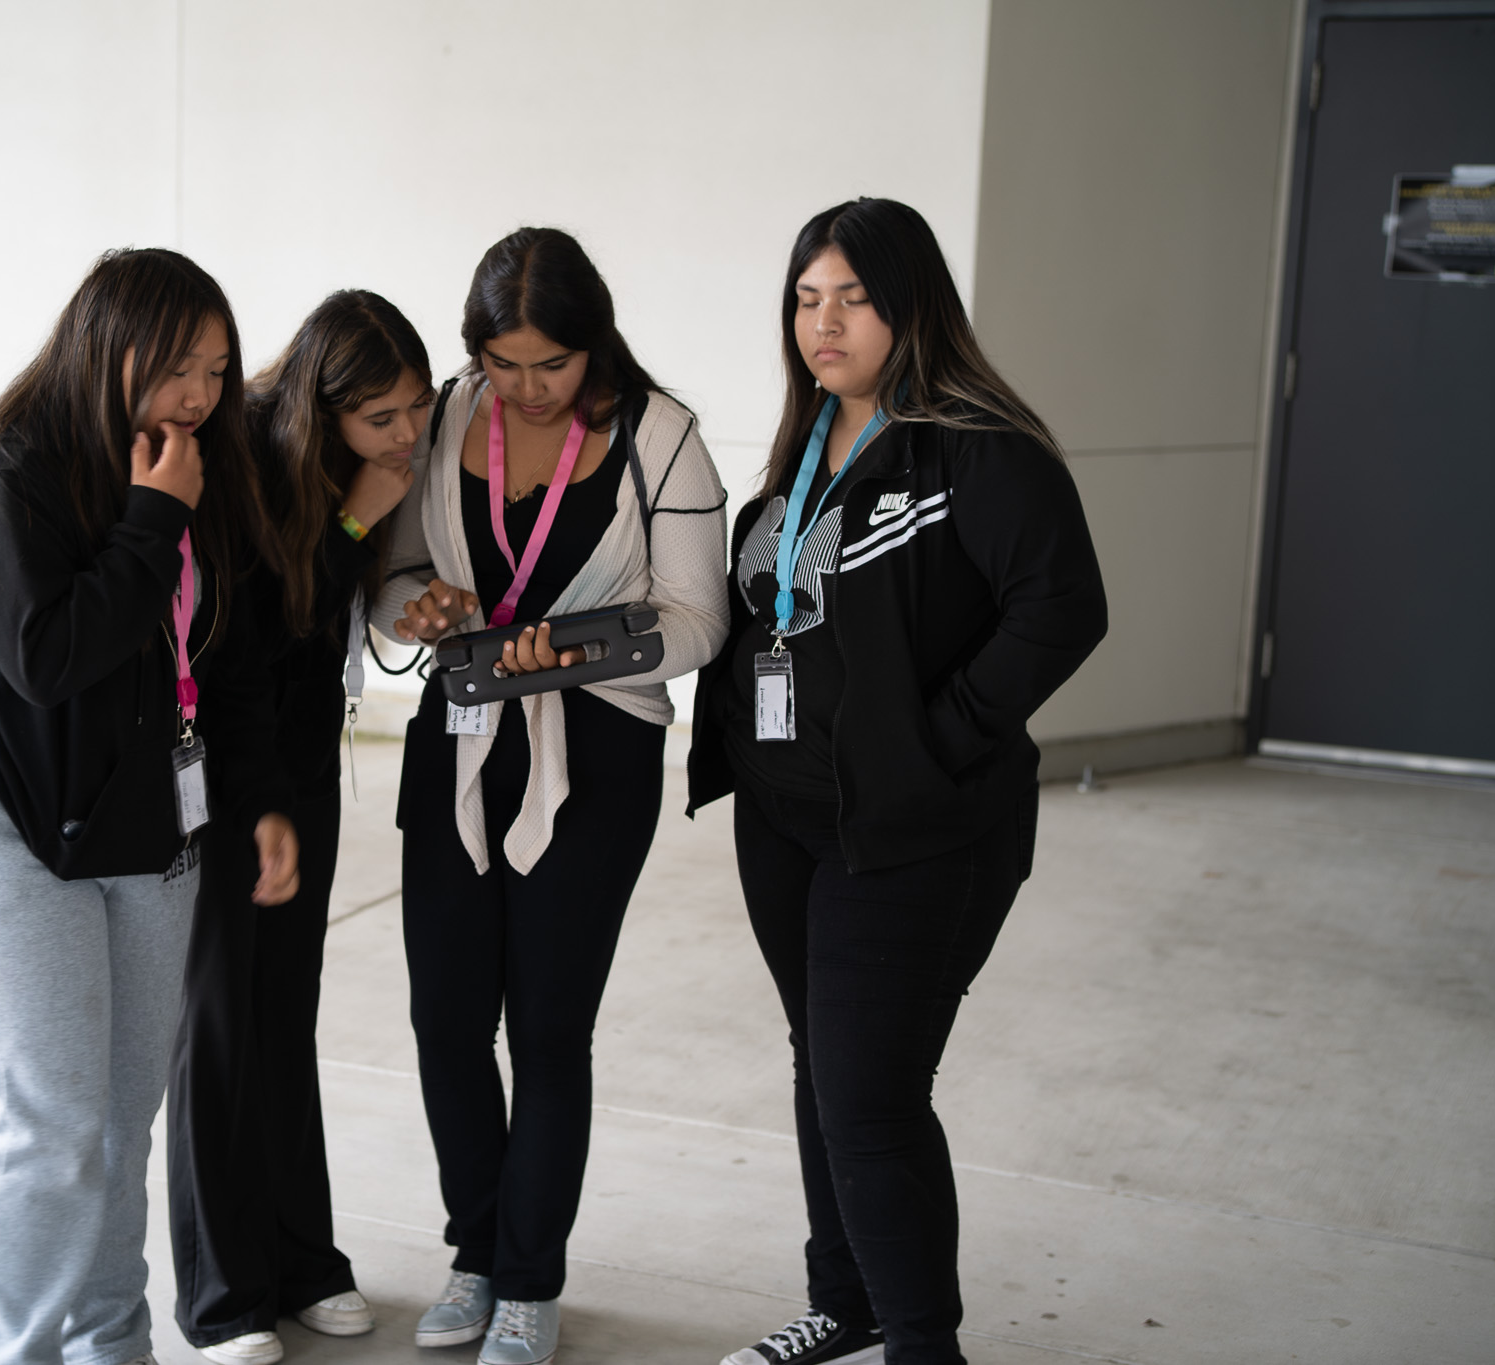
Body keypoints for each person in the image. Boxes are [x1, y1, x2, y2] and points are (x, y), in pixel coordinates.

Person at [689, 199, 1107, 1365]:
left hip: (915, 827)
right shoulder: (808, 437)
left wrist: (942, 733)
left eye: (852, 299)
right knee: (822, 1069)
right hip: (785, 820)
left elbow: (1063, 609)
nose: (822, 323)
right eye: (805, 298)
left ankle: (923, 1346)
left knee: (868, 1094)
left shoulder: (976, 448)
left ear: (909, 303)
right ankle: (848, 1302)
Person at [0, 247, 300, 1365]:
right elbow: (48, 656)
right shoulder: (14, 473)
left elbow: (223, 660)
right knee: (52, 1129)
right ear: (105, 347)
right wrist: (149, 518)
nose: (199, 396)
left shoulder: (199, 467)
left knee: (120, 1123)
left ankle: (109, 1345)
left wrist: (260, 797)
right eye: (177, 368)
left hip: (146, 822)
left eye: (218, 371)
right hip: (12, 824)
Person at [371, 227, 730, 1365]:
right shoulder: (442, 416)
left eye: (551, 365)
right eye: (502, 361)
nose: (524, 389)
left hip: (599, 754)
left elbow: (698, 621)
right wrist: (414, 612)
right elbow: (386, 573)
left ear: (594, 345)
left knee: (547, 1026)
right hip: (461, 736)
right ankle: (473, 1255)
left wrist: (567, 656)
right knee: (443, 1017)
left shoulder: (660, 438)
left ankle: (530, 1281)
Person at [166, 290, 435, 1365]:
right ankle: (221, 1295)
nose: (407, 435)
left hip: (301, 766)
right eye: (381, 418)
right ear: (320, 411)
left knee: (284, 1012)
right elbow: (258, 638)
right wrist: (361, 516)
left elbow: (328, 633)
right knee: (221, 1023)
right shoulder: (241, 461)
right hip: (228, 774)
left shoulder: (341, 465)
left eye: (414, 408)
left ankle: (298, 1260)